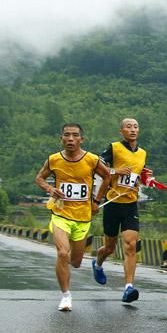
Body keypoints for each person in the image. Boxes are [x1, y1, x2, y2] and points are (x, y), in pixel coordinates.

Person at [35, 123, 110, 311]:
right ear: (61, 138)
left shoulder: (91, 159)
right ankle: (66, 296)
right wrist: (51, 189)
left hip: (83, 217)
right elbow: (39, 178)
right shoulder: (53, 159)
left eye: (74, 135)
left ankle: (64, 266)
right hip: (60, 214)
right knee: (62, 253)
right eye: (66, 135)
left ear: (81, 139)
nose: (70, 139)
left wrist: (96, 200)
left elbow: (107, 176)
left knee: (75, 262)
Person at [92, 118, 153, 304]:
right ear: (121, 131)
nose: (133, 130)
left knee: (130, 245)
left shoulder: (142, 153)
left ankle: (128, 287)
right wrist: (115, 172)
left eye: (136, 126)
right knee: (109, 247)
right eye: (128, 127)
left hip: (130, 204)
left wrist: (146, 177)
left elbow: (138, 174)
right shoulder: (114, 148)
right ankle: (98, 262)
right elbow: (97, 169)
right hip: (112, 202)